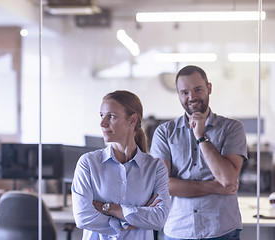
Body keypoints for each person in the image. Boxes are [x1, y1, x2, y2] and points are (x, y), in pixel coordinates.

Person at [150, 65, 247, 240]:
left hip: (221, 229)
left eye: (198, 89)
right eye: (184, 92)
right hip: (178, 230)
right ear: (178, 94)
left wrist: (201, 137)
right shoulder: (164, 132)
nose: (191, 97)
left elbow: (227, 179)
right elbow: (162, 186)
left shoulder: (232, 128)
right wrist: (212, 186)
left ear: (209, 88)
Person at [72, 90, 170, 240]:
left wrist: (109, 208)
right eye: (101, 115)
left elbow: (159, 219)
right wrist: (133, 220)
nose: (102, 123)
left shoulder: (155, 168)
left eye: (111, 116)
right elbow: (83, 217)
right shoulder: (88, 163)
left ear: (132, 120)